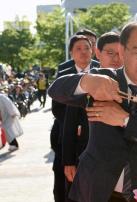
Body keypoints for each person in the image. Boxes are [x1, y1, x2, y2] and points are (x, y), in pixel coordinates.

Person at [48, 21, 137, 202]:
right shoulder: (104, 78)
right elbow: (56, 90)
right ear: (123, 51)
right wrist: (86, 82)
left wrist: (125, 119)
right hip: (96, 188)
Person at [62, 32, 123, 202]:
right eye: (110, 53)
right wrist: (68, 161)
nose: (116, 58)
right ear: (99, 53)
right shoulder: (88, 82)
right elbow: (69, 125)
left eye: (120, 53)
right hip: (91, 159)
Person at [50, 34, 96, 202]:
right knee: (65, 182)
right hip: (67, 133)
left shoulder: (101, 71)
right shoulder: (64, 72)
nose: (83, 52)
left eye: (87, 48)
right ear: (71, 53)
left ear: (93, 50)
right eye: (78, 49)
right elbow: (57, 107)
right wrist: (75, 124)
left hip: (94, 132)